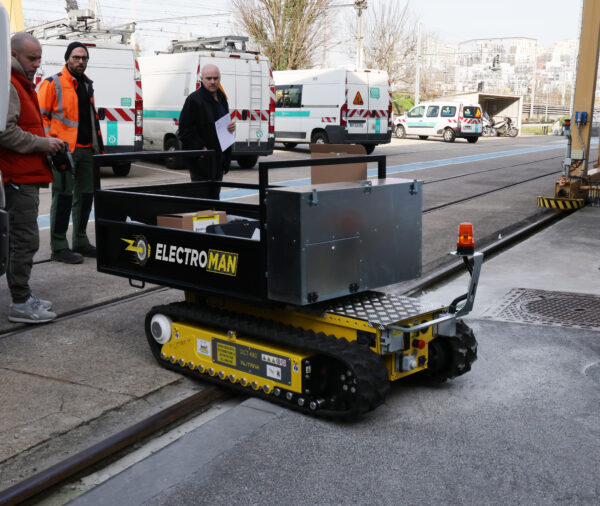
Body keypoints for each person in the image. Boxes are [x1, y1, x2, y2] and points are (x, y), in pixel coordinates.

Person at [0, 32, 65, 323]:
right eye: (31, 58)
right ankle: (20, 302)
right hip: (18, 175)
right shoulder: (10, 85)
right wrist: (43, 143)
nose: (37, 64)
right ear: (13, 55)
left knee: (23, 239)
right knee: (24, 240)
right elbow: (6, 132)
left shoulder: (18, 83)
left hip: (22, 173)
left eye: (39, 58)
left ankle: (23, 296)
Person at [38, 41, 104, 264]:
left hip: (86, 150)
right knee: (64, 197)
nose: (80, 61)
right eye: (76, 57)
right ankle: (58, 246)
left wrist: (98, 148)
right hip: (63, 151)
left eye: (84, 58)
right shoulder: (52, 83)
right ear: (67, 58)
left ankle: (81, 241)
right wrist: (51, 141)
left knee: (86, 197)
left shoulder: (87, 84)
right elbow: (41, 117)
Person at [177, 63, 235, 199]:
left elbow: (221, 125)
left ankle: (215, 220)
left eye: (216, 78)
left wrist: (230, 128)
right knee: (202, 199)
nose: (212, 82)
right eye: (209, 78)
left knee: (215, 196)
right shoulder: (193, 100)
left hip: (219, 158)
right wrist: (199, 148)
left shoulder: (222, 99)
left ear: (220, 79)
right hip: (201, 160)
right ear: (201, 79)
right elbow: (184, 130)